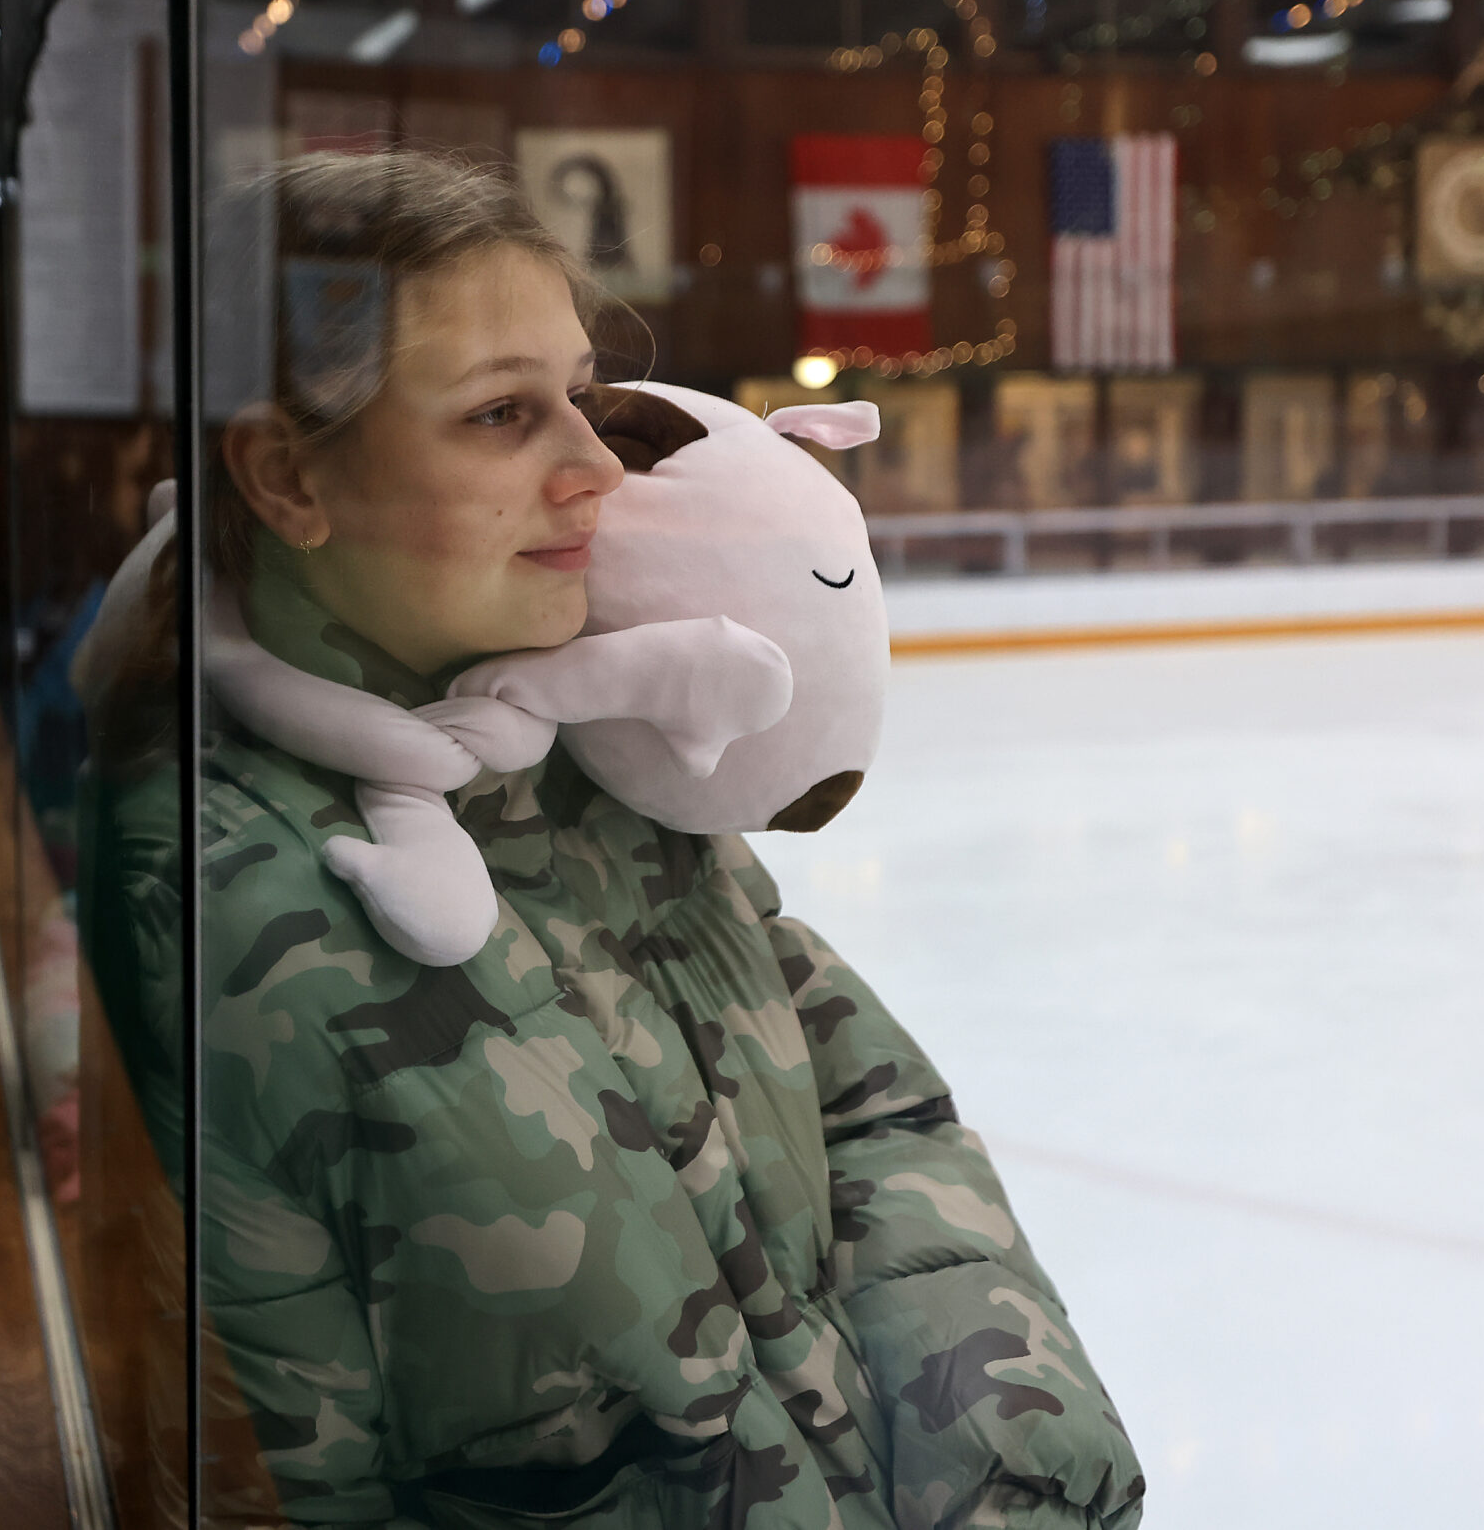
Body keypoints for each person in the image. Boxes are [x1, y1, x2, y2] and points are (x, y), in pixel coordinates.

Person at [200, 149, 1144, 1529]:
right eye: (503, 414)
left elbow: (879, 1113)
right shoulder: (237, 926)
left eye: (581, 397)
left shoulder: (603, 761)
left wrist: (1001, 1474)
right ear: (289, 475)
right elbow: (316, 1497)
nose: (596, 467)